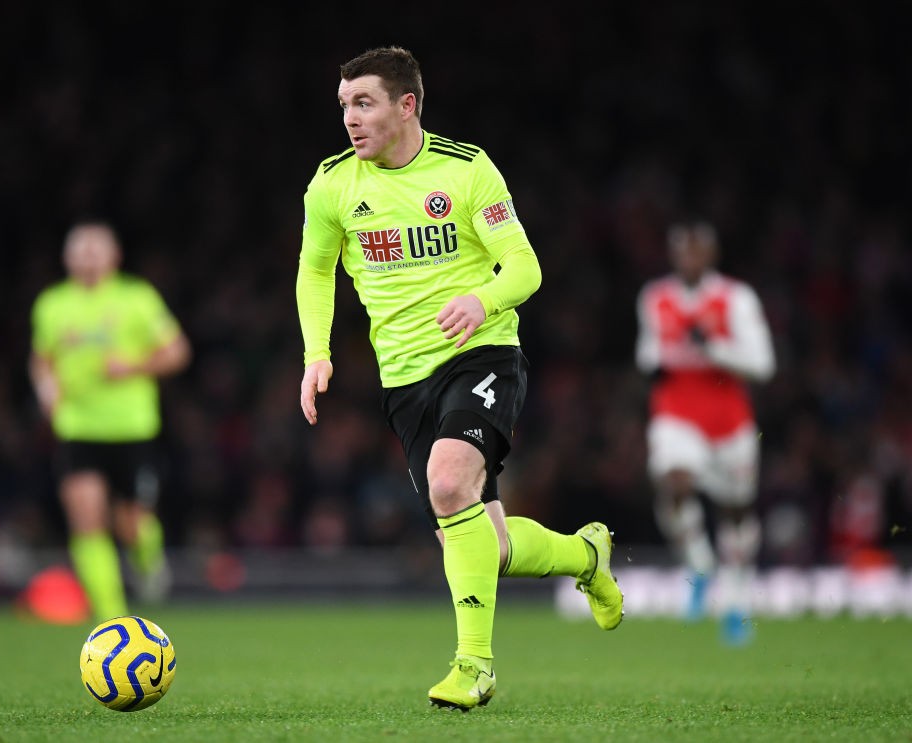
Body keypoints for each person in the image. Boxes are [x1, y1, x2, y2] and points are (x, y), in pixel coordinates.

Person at [296, 45, 623, 711]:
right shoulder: (332, 185)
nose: (350, 119)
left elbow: (524, 267)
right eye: (343, 107)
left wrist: (484, 300)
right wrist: (316, 352)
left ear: (406, 104)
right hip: (406, 381)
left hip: (483, 354)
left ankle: (474, 665)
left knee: (449, 483)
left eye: (364, 103)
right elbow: (315, 269)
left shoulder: (467, 170)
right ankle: (587, 556)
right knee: (484, 545)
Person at [29, 221, 191, 621]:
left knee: (133, 524)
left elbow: (177, 351)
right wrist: (46, 390)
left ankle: (148, 562)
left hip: (131, 428)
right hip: (78, 428)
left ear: (114, 256)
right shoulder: (51, 305)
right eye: (79, 250)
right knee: (87, 518)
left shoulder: (137, 298)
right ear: (66, 258)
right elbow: (41, 359)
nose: (87, 257)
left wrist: (134, 366)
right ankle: (112, 618)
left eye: (95, 249)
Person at [635, 219, 776, 644]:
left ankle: (735, 602)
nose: (689, 259)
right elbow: (647, 353)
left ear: (711, 255)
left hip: (729, 421)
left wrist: (712, 348)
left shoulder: (735, 297)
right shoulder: (655, 297)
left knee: (737, 513)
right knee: (673, 483)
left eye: (697, 251)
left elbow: (763, 365)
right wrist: (657, 361)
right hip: (677, 412)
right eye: (682, 251)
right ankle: (699, 565)